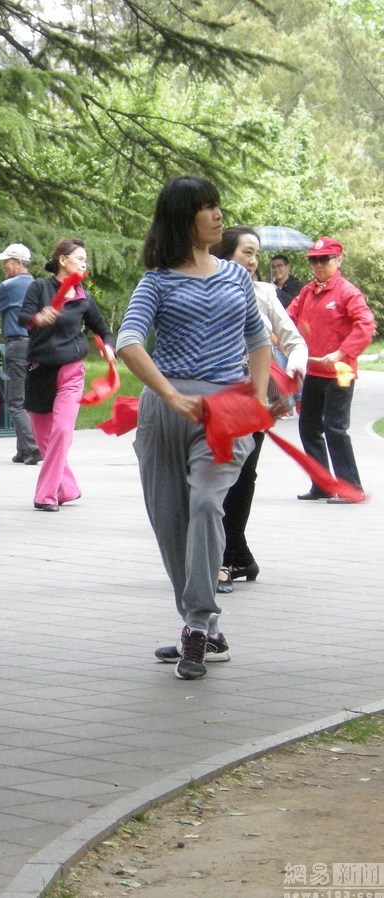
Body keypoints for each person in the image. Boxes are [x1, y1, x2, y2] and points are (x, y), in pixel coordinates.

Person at [116, 176, 271, 681]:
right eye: (207, 208)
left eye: (218, 206)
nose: (218, 216)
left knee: (206, 503)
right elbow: (129, 343)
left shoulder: (235, 277)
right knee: (169, 519)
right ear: (183, 219)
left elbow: (258, 339)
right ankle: (199, 625)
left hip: (225, 411)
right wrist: (170, 394)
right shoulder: (156, 281)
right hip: (166, 410)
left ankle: (199, 626)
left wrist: (260, 396)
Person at [207, 228, 307, 594]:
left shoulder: (264, 293)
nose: (253, 261)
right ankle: (238, 554)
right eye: (246, 253)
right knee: (215, 474)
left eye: (256, 255)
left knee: (241, 474)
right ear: (223, 254)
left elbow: (295, 341)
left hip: (255, 399)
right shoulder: (204, 287)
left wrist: (291, 375)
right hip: (212, 394)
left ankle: (226, 559)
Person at [18, 238, 114, 512]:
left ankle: (45, 495)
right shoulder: (39, 287)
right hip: (39, 369)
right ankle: (68, 488)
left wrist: (108, 347)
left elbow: (103, 329)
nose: (85, 262)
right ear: (63, 260)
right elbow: (23, 317)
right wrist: (38, 318)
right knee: (44, 438)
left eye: (85, 259)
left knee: (62, 431)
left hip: (72, 370)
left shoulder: (83, 297)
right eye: (80, 257)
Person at [288, 237, 375, 504]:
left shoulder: (348, 292)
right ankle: (323, 484)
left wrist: (341, 353)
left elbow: (366, 325)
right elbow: (287, 318)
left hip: (341, 371)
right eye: (314, 260)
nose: (318, 264)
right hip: (315, 370)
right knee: (308, 427)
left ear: (338, 260)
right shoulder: (307, 292)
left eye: (324, 259)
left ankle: (352, 489)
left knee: (335, 428)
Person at [0, 242, 39, 464]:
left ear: (18, 263)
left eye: (7, 262)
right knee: (27, 398)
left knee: (15, 402)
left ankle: (32, 447)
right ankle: (22, 450)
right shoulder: (37, 285)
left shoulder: (10, 286)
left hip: (17, 345)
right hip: (36, 346)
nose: (3, 267)